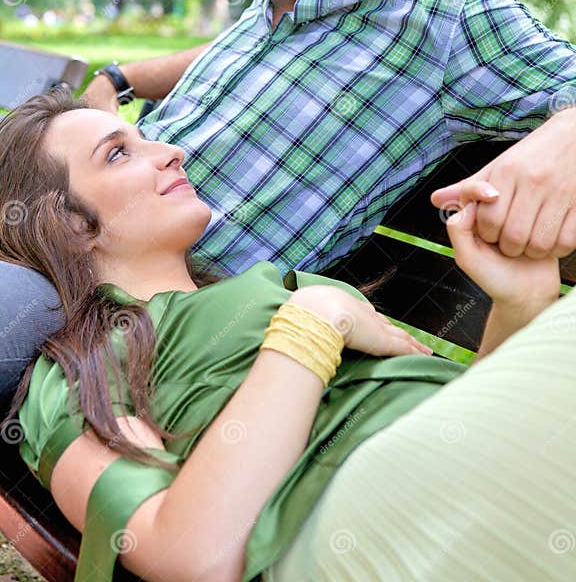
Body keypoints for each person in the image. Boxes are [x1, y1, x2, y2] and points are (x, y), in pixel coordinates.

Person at [3, 0, 576, 398]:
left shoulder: (447, 20)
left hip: (141, 329)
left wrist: (561, 140)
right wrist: (122, 77)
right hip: (57, 244)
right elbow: (239, 56)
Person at [0, 89, 571, 582]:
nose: (171, 151)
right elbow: (190, 555)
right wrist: (314, 322)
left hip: (454, 489)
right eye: (119, 153)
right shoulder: (80, 367)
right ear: (67, 223)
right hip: (350, 520)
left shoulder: (284, 285)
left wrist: (520, 303)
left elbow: (453, 421)